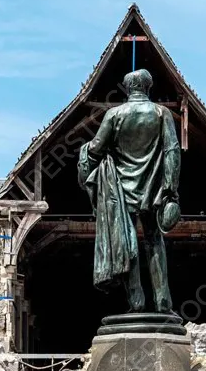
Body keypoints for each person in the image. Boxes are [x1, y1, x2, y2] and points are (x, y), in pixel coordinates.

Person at [78, 68, 181, 313]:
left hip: (122, 190)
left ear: (127, 88)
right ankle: (163, 301)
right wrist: (170, 189)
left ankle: (136, 302)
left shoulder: (114, 115)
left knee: (127, 240)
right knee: (155, 241)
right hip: (153, 188)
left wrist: (84, 154)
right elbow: (172, 151)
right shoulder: (161, 113)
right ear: (148, 87)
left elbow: (96, 149)